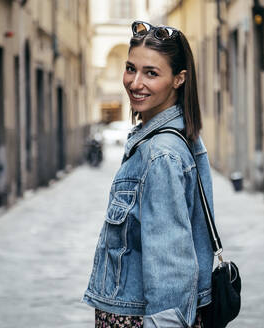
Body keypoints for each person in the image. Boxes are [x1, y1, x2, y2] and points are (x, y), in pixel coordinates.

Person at [83, 21, 215, 328]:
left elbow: (171, 265)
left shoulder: (161, 154)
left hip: (138, 317)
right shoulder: (173, 136)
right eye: (131, 68)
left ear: (179, 79)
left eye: (151, 73)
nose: (134, 82)